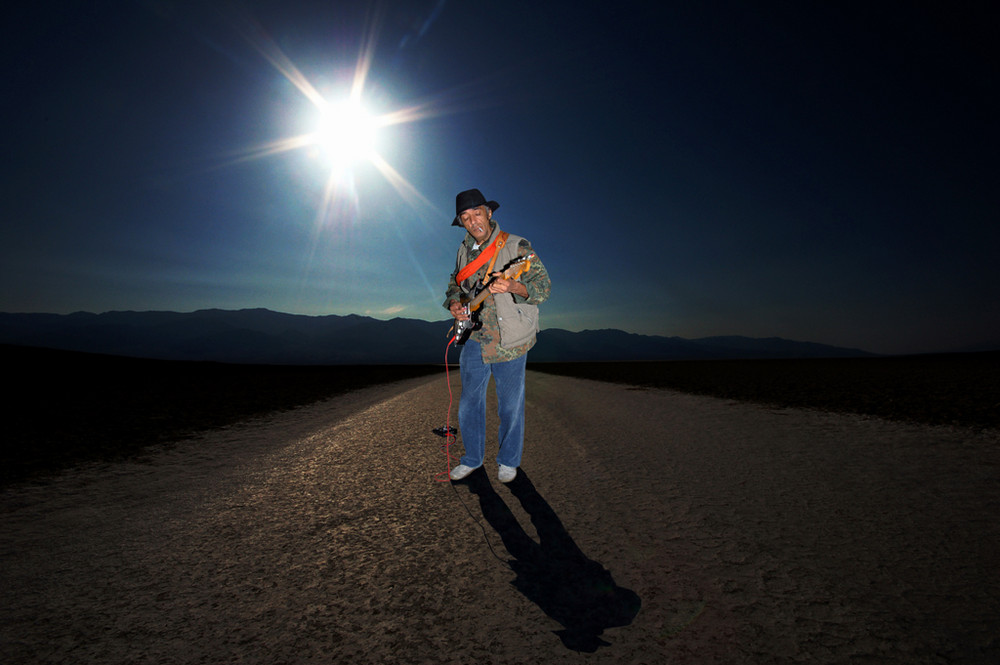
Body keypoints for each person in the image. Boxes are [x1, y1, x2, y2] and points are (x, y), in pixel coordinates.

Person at [444, 188, 551, 483]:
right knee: (469, 404)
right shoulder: (464, 250)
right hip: (475, 339)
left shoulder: (517, 246)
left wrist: (514, 287)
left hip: (510, 341)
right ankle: (472, 459)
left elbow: (544, 289)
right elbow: (455, 283)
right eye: (465, 217)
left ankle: (508, 461)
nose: (472, 221)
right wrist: (455, 303)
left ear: (489, 213)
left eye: (476, 213)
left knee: (510, 405)